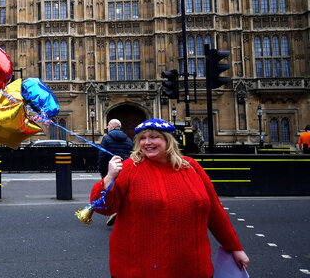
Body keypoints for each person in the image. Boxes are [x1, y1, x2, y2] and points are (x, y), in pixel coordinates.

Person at [90, 118, 249, 278]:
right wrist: (109, 179)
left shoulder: (191, 167)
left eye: (153, 137)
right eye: (142, 138)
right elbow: (103, 208)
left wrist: (235, 247)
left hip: (193, 268)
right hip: (140, 270)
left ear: (168, 140)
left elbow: (215, 213)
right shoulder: (130, 168)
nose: (147, 142)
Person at [96, 118, 132, 226]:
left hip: (110, 170)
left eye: (108, 125)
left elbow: (102, 156)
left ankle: (114, 212)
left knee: (111, 191)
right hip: (124, 169)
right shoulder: (128, 140)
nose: (107, 127)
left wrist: (101, 170)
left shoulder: (106, 139)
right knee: (123, 192)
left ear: (113, 127)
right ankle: (121, 213)